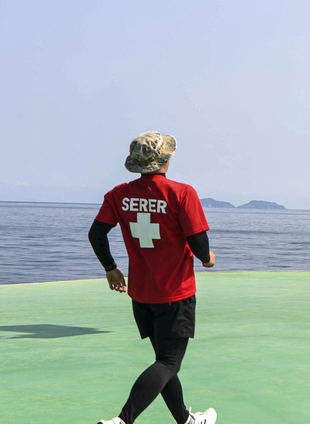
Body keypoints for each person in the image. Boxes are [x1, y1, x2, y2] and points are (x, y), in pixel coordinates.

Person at [89, 131, 218, 424]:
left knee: (164, 362)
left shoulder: (118, 194)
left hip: (142, 294)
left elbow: (96, 234)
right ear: (165, 159)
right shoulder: (182, 193)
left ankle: (187, 421)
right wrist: (208, 259)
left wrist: (110, 267)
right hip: (175, 293)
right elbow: (199, 245)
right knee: (169, 362)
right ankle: (122, 421)